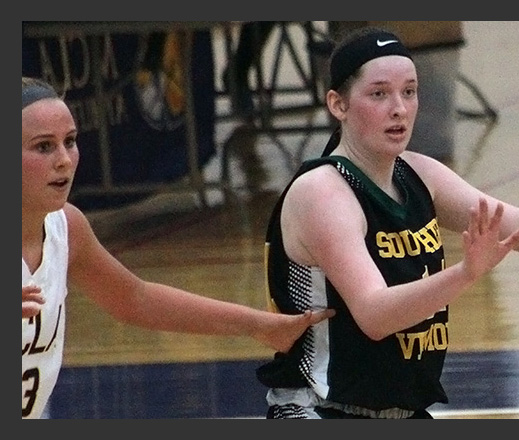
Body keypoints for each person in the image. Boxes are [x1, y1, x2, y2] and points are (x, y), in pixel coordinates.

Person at [255, 27, 519, 419]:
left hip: (400, 412)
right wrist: (466, 273)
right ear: (338, 105)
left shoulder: (419, 174)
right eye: (379, 94)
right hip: (319, 410)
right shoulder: (323, 193)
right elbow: (375, 315)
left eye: (409, 91)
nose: (399, 108)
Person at [21, 76, 334, 419]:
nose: (64, 160)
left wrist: (259, 326)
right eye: (43, 147)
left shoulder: (67, 227)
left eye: (70, 141)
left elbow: (136, 298)